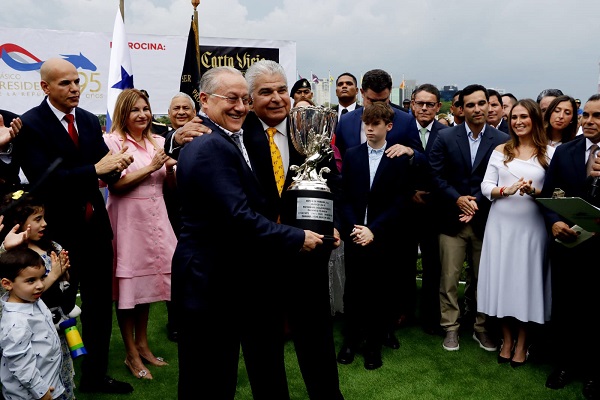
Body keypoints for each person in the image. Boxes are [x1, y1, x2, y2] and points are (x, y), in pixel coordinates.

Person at [171, 65, 326, 399]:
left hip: (225, 277)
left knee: (215, 374)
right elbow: (239, 216)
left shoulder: (223, 138)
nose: (240, 106)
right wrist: (298, 237)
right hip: (209, 278)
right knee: (207, 377)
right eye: (232, 98)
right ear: (204, 100)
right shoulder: (210, 145)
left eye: (244, 99)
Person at [13, 57, 134, 394]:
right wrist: (96, 170)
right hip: (56, 233)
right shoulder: (30, 124)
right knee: (54, 309)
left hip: (95, 228)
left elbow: (100, 167)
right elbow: (43, 180)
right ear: (45, 87)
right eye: (65, 83)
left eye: (77, 81)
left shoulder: (86, 120)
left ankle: (96, 375)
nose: (74, 89)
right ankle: (51, 380)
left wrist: (116, 166)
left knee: (98, 307)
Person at [242, 60, 344, 400]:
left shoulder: (310, 130)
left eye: (282, 90)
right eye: (265, 92)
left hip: (308, 255)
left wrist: (336, 225)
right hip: (259, 257)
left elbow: (334, 186)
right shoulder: (237, 136)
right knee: (262, 342)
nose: (276, 99)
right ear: (250, 97)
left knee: (316, 335)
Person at [428, 84, 509, 352]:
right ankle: (450, 328)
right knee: (449, 279)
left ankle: (481, 327)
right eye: (470, 105)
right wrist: (458, 199)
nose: (477, 109)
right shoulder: (446, 137)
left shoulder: (501, 140)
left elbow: (501, 180)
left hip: (486, 221)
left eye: (481, 103)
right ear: (461, 108)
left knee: (483, 279)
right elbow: (436, 176)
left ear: (489, 105)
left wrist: (474, 202)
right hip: (451, 221)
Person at [104, 88, 177, 381]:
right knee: (128, 288)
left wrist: (170, 171)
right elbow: (116, 186)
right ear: (124, 112)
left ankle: (144, 344)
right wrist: (152, 167)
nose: (143, 115)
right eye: (135, 110)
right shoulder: (111, 142)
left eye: (146, 109)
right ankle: (130, 352)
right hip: (127, 220)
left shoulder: (157, 141)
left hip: (157, 217)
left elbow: (168, 188)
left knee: (148, 286)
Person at [336, 102, 413, 370]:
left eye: (376, 124)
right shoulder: (353, 155)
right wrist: (355, 228)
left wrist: (374, 230)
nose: (369, 129)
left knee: (380, 292)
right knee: (353, 290)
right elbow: (344, 197)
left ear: (388, 127)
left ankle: (373, 346)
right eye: (366, 124)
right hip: (356, 233)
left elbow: (401, 202)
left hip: (383, 236)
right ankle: (350, 341)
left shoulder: (398, 158)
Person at [477, 99, 553, 368]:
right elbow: (486, 186)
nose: (518, 121)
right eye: (514, 117)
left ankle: (523, 343)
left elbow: (556, 193)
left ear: (535, 119)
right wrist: (504, 191)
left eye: (524, 117)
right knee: (502, 282)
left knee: (525, 284)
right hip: (500, 225)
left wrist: (535, 192)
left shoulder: (548, 153)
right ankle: (506, 341)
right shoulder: (501, 150)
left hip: (531, 227)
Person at [540, 94, 600, 400]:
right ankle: (564, 365)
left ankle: (594, 372)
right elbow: (550, 195)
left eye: (597, 116)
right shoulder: (566, 151)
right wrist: (553, 221)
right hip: (568, 244)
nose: (589, 121)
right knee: (566, 306)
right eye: (585, 115)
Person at [0, 190, 77, 398]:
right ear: (18, 223)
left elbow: (57, 288)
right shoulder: (11, 257)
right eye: (37, 219)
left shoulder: (50, 247)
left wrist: (62, 273)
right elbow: (20, 361)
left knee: (58, 369)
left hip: (54, 328)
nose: (44, 224)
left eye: (44, 217)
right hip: (30, 340)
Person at [405, 83, 447, 335]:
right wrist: (410, 193)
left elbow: (445, 170)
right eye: (419, 103)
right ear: (411, 104)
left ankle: (431, 317)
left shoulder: (447, 133)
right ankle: (404, 312)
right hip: (406, 207)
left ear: (437, 107)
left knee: (434, 266)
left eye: (429, 104)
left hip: (435, 207)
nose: (424, 108)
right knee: (404, 263)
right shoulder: (400, 129)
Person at [0, 247, 66, 400]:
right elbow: (20, 364)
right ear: (7, 284)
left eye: (42, 278)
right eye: (31, 280)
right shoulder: (16, 323)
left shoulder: (32, 299)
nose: (40, 285)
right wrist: (42, 392)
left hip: (49, 382)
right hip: (31, 395)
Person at [161, 91, 197, 342]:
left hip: (198, 215)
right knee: (173, 270)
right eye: (176, 108)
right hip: (168, 214)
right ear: (169, 114)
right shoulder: (161, 142)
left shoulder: (205, 139)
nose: (182, 112)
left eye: (186, 108)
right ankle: (175, 322)